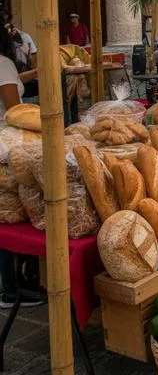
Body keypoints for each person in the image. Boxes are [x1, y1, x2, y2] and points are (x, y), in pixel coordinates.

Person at [0, 25, 43, 309]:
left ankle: (14, 286)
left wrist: (32, 75)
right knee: (14, 214)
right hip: (8, 146)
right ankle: (14, 290)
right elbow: (14, 110)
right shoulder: (2, 64)